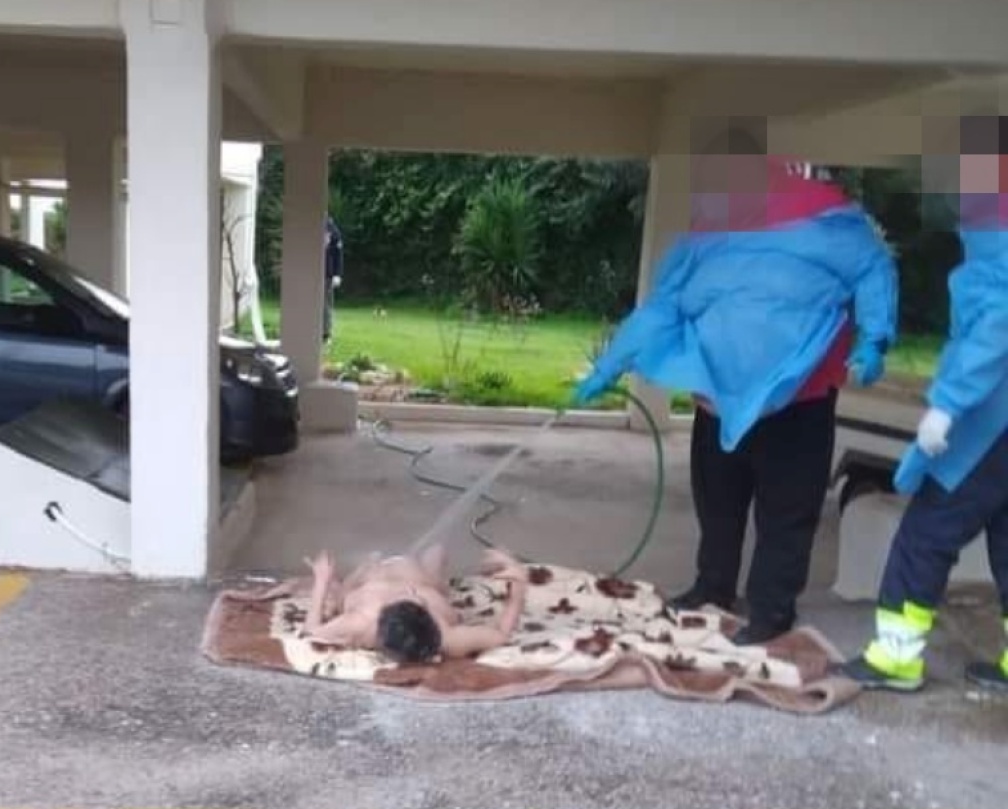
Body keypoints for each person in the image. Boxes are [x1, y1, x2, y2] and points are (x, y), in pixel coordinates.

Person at [573, 122, 898, 646]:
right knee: (719, 505)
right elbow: (662, 307)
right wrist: (609, 366)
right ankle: (713, 587)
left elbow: (872, 268)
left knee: (786, 514)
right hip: (717, 402)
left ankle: (771, 610)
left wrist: (876, 336)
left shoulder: (824, 219)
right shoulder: (708, 233)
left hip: (797, 404)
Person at [841, 114, 1008, 693]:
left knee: (927, 532)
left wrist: (947, 405)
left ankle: (895, 657)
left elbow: (995, 329)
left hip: (990, 424)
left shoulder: (996, 237)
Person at [300, 545, 529, 662]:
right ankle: (429, 561)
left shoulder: (360, 623)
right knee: (437, 552)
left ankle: (368, 564)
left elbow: (311, 631)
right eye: (417, 600)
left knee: (356, 577)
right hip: (420, 577)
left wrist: (321, 581)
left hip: (371, 578)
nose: (409, 591)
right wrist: (519, 586)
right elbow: (501, 634)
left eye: (409, 596)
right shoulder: (447, 638)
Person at [324, 216, 344, 343]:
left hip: (327, 273)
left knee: (326, 305)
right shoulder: (310, 225)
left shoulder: (333, 229)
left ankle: (326, 334)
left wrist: (337, 274)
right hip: (312, 273)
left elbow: (338, 254)